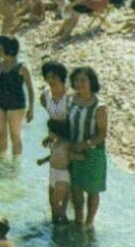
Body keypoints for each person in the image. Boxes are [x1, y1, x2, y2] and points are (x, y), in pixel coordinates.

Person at [66, 67, 108, 228]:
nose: (79, 84)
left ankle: (89, 222)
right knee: (75, 188)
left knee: (92, 189)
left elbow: (102, 134)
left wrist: (84, 145)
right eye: (76, 80)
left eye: (83, 80)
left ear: (91, 82)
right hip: (73, 150)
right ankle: (78, 219)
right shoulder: (71, 100)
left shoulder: (99, 106)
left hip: (93, 152)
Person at [37, 61, 72, 223]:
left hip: (70, 140)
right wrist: (51, 136)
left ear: (62, 78)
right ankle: (56, 217)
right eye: (48, 77)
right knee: (54, 182)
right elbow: (51, 117)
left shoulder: (70, 98)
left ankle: (63, 215)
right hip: (57, 140)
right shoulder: (45, 95)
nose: (51, 80)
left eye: (54, 77)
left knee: (64, 183)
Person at [35, 118, 74, 225]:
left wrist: (74, 156)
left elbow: (76, 155)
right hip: (53, 173)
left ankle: (61, 223)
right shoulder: (55, 143)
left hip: (63, 175)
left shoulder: (67, 144)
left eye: (49, 131)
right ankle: (55, 222)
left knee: (58, 204)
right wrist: (43, 160)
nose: (47, 133)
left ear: (55, 132)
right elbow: (53, 156)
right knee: (52, 202)